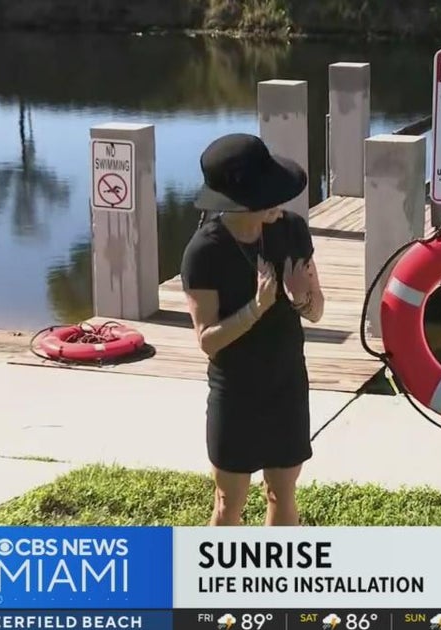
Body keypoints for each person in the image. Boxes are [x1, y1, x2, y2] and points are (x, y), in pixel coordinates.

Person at [180, 133, 325, 526]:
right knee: (230, 503)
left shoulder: (291, 230)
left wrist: (299, 300)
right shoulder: (204, 252)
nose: (281, 201)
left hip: (286, 381)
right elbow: (208, 341)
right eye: (269, 193)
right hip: (236, 392)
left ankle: (277, 583)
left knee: (283, 492)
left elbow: (318, 310)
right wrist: (256, 308)